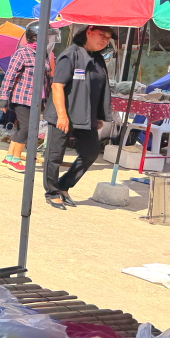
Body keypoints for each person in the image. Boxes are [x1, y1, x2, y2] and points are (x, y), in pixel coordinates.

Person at [43, 25, 114, 209]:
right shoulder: (70, 55)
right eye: (101, 35)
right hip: (64, 114)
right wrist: (62, 116)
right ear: (88, 32)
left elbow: (98, 89)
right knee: (55, 155)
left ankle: (64, 185)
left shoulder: (98, 58)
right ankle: (52, 192)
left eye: (108, 38)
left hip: (86, 115)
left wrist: (98, 115)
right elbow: (57, 86)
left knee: (91, 152)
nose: (105, 40)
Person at [0, 22, 52, 172]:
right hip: (22, 97)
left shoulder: (43, 54)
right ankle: (16, 159)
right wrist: (4, 97)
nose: (48, 39)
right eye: (46, 36)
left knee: (23, 127)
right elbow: (10, 76)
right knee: (28, 127)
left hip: (37, 99)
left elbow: (47, 77)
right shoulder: (22, 53)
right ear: (35, 37)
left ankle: (9, 157)